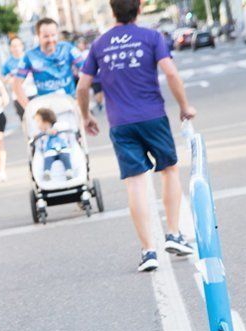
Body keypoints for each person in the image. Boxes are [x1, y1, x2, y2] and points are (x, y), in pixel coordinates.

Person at [77, 0, 195, 272]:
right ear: (139, 9)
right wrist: (184, 106)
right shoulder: (152, 37)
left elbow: (83, 86)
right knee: (169, 170)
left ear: (112, 10)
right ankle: (174, 234)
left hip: (120, 123)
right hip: (153, 116)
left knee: (135, 183)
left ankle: (148, 251)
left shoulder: (100, 44)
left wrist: (86, 116)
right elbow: (171, 73)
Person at [13, 18, 81, 109]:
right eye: (46, 36)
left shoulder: (67, 48)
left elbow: (87, 70)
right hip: (48, 110)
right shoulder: (29, 56)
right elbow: (16, 85)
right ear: (38, 36)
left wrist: (82, 97)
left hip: (71, 104)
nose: (51, 39)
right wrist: (30, 109)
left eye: (53, 35)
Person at [1, 36, 37, 121]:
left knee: (39, 118)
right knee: (25, 120)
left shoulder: (30, 57)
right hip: (18, 96)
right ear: (10, 48)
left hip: (34, 92)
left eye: (18, 45)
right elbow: (3, 78)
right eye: (14, 46)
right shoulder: (8, 63)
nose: (16, 48)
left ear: (22, 46)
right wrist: (10, 80)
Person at [33, 108, 74, 179]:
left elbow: (65, 127)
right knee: (48, 158)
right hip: (50, 150)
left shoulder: (58, 125)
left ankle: (69, 170)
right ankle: (46, 172)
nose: (37, 124)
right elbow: (39, 144)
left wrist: (54, 130)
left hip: (62, 148)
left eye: (38, 121)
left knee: (65, 157)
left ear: (46, 120)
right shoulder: (41, 133)